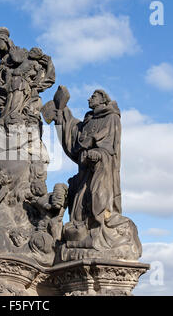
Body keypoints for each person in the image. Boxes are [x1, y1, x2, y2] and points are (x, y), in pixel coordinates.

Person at [49, 88, 141, 260]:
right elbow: (74, 133)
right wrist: (62, 112)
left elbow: (111, 147)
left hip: (101, 168)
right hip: (84, 170)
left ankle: (99, 227)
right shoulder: (89, 119)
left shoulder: (111, 118)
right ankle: (82, 231)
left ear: (102, 99)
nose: (89, 99)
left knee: (97, 196)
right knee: (79, 203)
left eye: (93, 96)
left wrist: (98, 154)